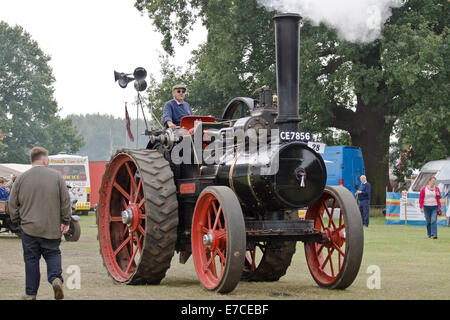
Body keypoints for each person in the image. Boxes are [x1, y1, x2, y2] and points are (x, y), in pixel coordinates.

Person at [8, 147, 72, 300]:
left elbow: (12, 203)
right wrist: (65, 220)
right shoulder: (57, 177)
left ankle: (30, 294)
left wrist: (17, 221)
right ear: (44, 160)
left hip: (29, 228)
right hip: (51, 227)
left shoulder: (21, 178)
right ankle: (56, 279)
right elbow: (65, 201)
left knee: (31, 260)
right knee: (53, 253)